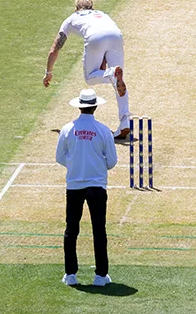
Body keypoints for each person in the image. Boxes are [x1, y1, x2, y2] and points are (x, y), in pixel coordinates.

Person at [43, 0, 132, 138]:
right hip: (116, 35)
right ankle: (125, 121)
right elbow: (107, 37)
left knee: (91, 78)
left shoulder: (71, 19)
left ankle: (111, 73)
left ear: (76, 8)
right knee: (117, 81)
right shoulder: (102, 14)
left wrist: (48, 72)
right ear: (92, 7)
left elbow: (55, 49)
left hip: (95, 37)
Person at [55, 88, 118, 287]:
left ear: (80, 106)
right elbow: (112, 161)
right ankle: (101, 276)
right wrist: (96, 167)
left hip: (74, 185)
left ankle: (70, 275)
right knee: (99, 230)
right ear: (95, 106)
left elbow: (60, 157)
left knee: (71, 230)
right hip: (97, 185)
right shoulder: (103, 130)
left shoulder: (67, 129)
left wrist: (76, 165)